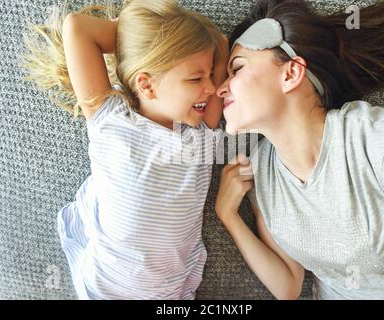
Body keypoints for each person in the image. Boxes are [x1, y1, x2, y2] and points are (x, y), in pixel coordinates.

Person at [215, 0, 384, 299]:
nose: (220, 88)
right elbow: (287, 285)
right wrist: (228, 215)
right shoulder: (261, 170)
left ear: (290, 74)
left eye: (236, 68)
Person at [19, 0, 228, 299]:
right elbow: (77, 28)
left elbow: (220, 43)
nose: (212, 88)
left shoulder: (199, 134)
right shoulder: (111, 121)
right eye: (196, 78)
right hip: (104, 284)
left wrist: (197, 55)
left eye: (210, 75)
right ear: (147, 85)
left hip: (168, 294)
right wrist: (138, 39)